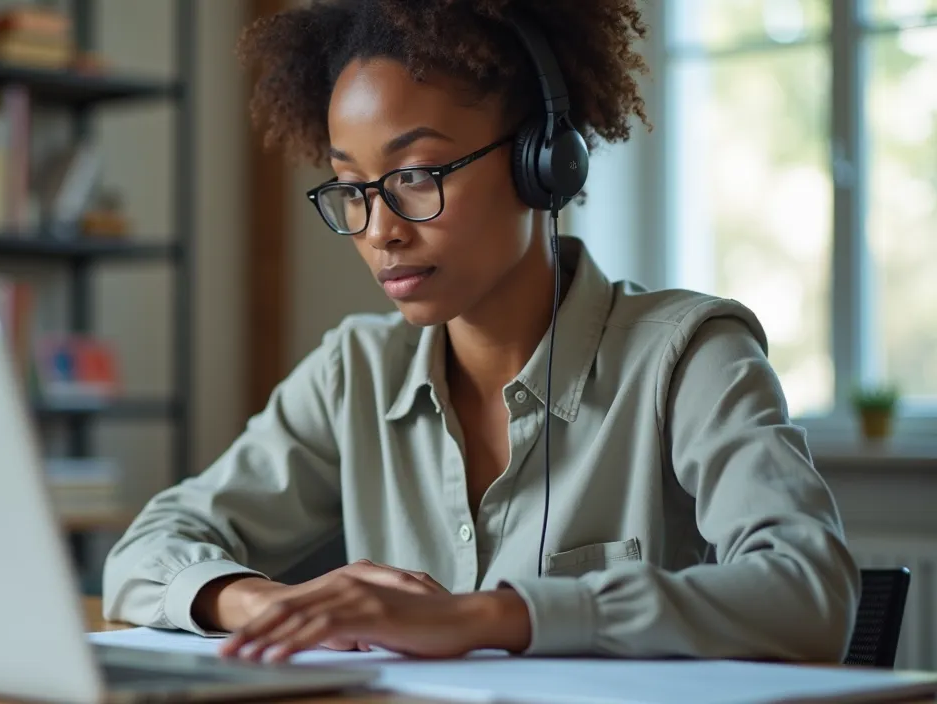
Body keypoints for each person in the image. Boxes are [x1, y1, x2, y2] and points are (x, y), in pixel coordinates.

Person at [101, 0, 860, 663]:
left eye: (418, 174)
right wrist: (263, 605)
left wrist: (485, 616)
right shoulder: (355, 372)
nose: (379, 231)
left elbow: (809, 591)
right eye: (353, 189)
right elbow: (144, 552)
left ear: (543, 163)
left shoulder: (689, 356)